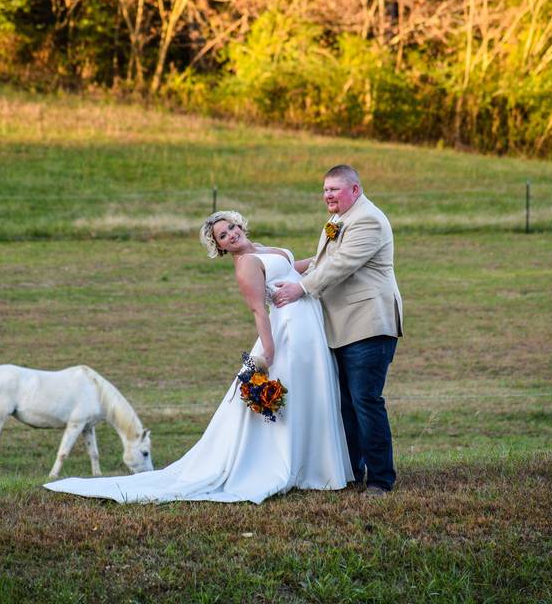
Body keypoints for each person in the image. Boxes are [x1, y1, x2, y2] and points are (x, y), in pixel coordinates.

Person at [44, 210, 352, 504]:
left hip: (306, 325)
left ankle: (314, 466)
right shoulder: (245, 264)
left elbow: (292, 268)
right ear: (218, 246)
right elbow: (259, 309)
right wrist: (268, 352)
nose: (230, 234)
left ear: (240, 225)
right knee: (291, 396)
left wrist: (331, 256)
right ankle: (292, 467)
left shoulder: (261, 248)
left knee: (312, 392)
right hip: (286, 331)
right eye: (222, 235)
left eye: (231, 227)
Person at [273, 164, 403, 497]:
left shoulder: (368, 220)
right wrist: (279, 266)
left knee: (365, 401)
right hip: (341, 326)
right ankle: (351, 471)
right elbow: (321, 260)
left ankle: (380, 480)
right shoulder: (337, 219)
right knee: (344, 402)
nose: (328, 195)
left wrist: (300, 288)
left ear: (355, 189)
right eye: (325, 190)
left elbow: (341, 265)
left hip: (368, 324)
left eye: (335, 189)